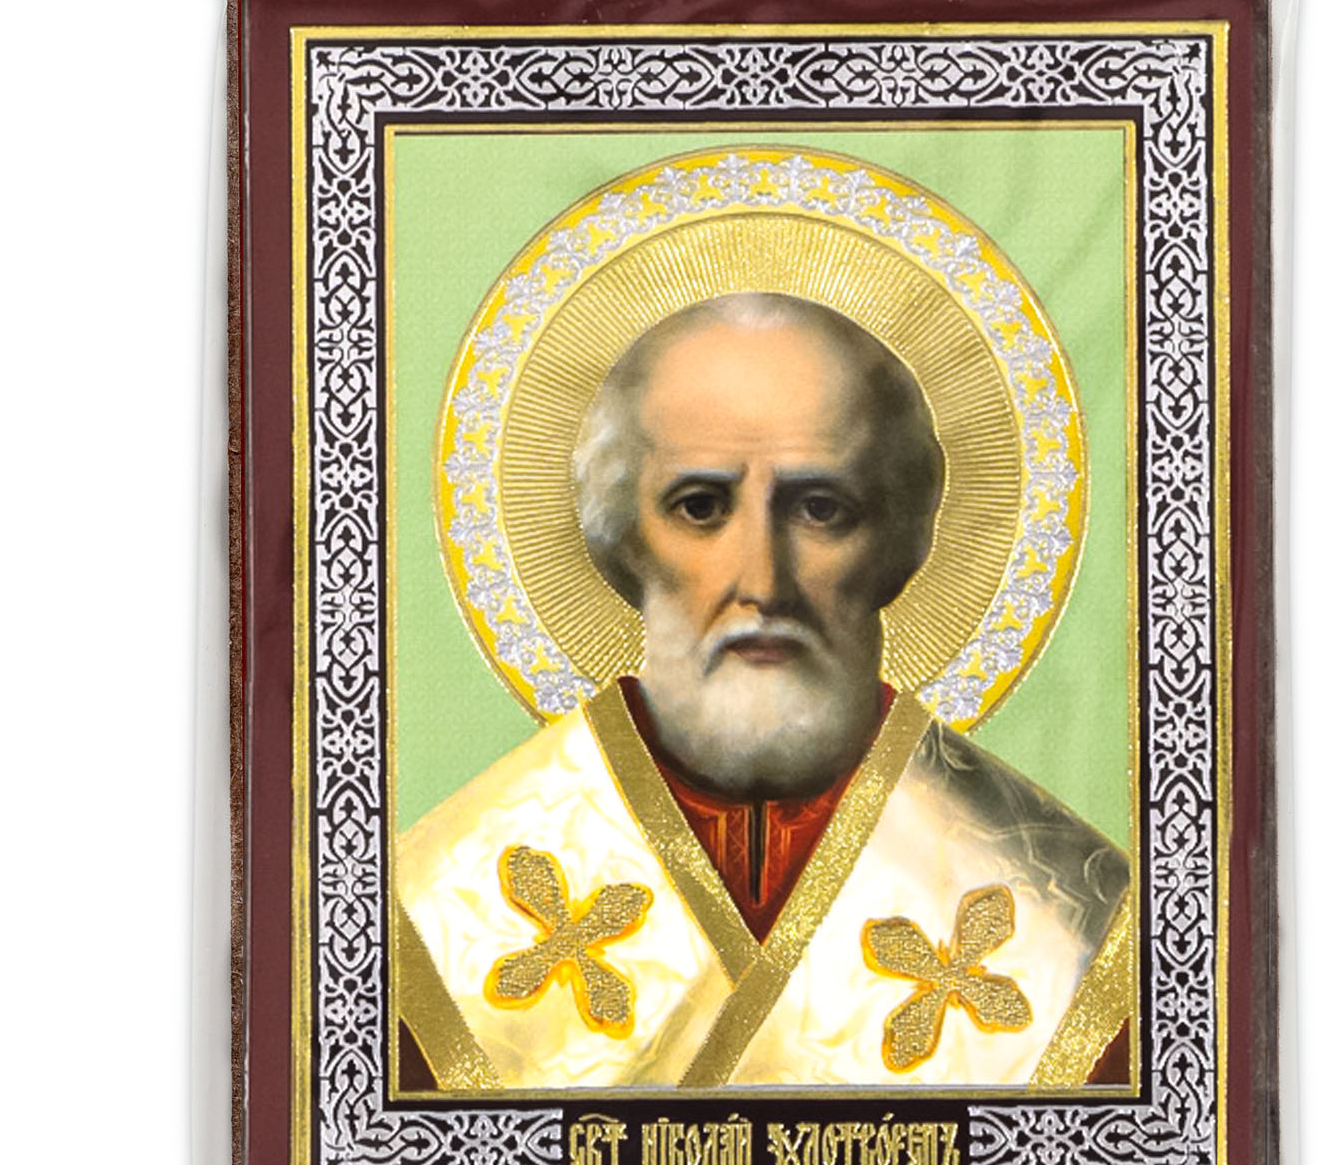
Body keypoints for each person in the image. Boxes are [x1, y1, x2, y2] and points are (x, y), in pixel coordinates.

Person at [394, 293, 1131, 1090]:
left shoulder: (1081, 934)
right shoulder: (426, 918)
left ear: (897, 541)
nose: (763, 581)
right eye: (700, 507)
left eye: (821, 509)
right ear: (624, 536)